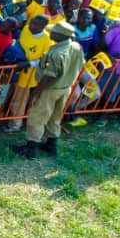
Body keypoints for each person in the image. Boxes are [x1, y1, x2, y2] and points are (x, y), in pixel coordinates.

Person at [11, 21, 85, 159]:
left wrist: (36, 92)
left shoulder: (55, 53)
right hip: (65, 88)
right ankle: (52, 145)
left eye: (53, 31)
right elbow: (81, 65)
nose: (50, 33)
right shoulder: (76, 46)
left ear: (60, 35)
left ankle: (31, 149)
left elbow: (50, 77)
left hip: (50, 90)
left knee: (37, 117)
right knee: (55, 117)